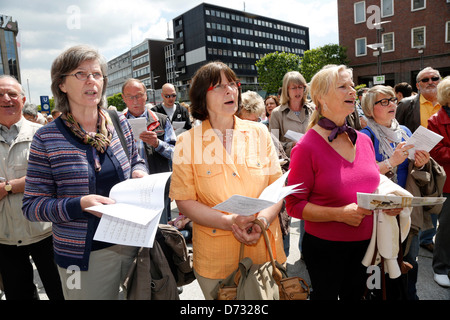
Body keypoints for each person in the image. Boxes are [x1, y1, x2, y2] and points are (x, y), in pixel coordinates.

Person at [22, 45, 148, 300]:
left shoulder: (118, 121)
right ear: (62, 85)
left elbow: (137, 159)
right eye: (81, 73)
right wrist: (80, 204)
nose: (92, 80)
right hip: (85, 256)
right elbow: (32, 206)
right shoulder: (47, 138)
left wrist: (139, 173)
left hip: (134, 242)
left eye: (97, 74)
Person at [169, 61, 286, 299]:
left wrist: (261, 221)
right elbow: (184, 201)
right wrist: (231, 221)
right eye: (219, 86)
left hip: (264, 249)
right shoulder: (187, 142)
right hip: (216, 259)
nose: (230, 90)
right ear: (202, 96)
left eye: (233, 84)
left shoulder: (259, 132)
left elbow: (277, 187)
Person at [285, 65, 403, 300]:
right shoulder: (306, 147)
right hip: (325, 248)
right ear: (321, 98)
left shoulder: (363, 139)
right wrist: (338, 214)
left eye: (352, 86)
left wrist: (388, 205)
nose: (352, 91)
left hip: (367, 245)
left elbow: (372, 184)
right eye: (343, 86)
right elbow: (294, 205)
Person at [361, 85, 431, 299]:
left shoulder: (406, 131)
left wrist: (420, 164)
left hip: (406, 209)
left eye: (392, 99)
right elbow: (363, 175)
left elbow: (412, 169)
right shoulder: (364, 136)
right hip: (379, 213)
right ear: (370, 109)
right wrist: (391, 162)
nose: (392, 104)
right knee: (379, 265)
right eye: (384, 101)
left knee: (409, 261)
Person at [0, 75, 64, 300]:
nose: (6, 99)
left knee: (62, 292)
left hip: (45, 231)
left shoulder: (44, 134)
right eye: (0, 94)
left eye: (12, 94)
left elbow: (56, 178)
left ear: (23, 98)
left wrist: (8, 187)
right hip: (5, 237)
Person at [396, 67, 442, 253]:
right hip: (415, 161)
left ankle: (428, 237)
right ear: (417, 85)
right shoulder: (407, 104)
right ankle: (420, 237)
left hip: (441, 161)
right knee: (420, 200)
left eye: (434, 78)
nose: (430, 82)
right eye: (425, 80)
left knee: (436, 199)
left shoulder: (446, 103)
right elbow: (396, 128)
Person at [122, 78, 177, 223]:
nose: (135, 101)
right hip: (130, 188)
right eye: (130, 97)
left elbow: (176, 153)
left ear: (146, 96)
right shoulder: (117, 124)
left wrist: (157, 143)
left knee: (161, 228)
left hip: (158, 185)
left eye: (139, 95)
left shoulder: (162, 120)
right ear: (124, 99)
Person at [427, 76, 450, 287]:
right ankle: (441, 267)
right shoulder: (435, 120)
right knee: (446, 228)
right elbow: (435, 151)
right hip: (448, 183)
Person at [269, 71, 314, 158]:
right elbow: (273, 144)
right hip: (290, 162)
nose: (298, 91)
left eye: (300, 87)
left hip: (313, 160)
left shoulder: (312, 109)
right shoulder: (277, 113)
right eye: (294, 88)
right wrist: (291, 145)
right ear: (286, 90)